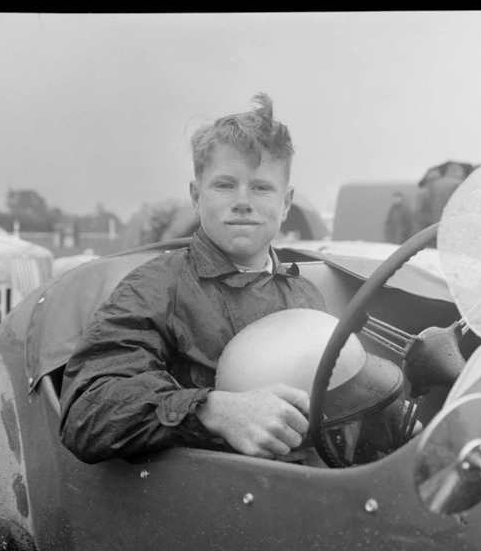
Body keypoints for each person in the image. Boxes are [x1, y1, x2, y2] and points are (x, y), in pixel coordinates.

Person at [60, 93, 327, 464]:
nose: (243, 201)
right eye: (224, 185)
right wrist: (211, 410)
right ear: (196, 196)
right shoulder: (156, 287)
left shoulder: (305, 297)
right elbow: (87, 412)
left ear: (285, 203)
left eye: (262, 187)